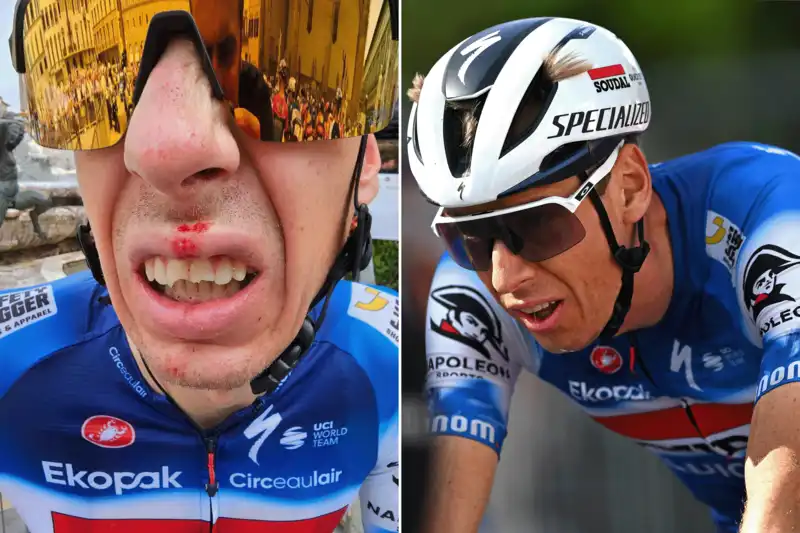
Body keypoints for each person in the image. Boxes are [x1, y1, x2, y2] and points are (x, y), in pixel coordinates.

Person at [1, 1, 398, 532]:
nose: (164, 148)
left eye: (284, 61)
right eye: (96, 87)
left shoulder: (393, 360)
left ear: (365, 163)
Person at [408, 16, 800, 533]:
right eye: (471, 238)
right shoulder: (470, 295)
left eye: (538, 223)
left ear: (630, 187)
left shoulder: (770, 218)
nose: (504, 274)